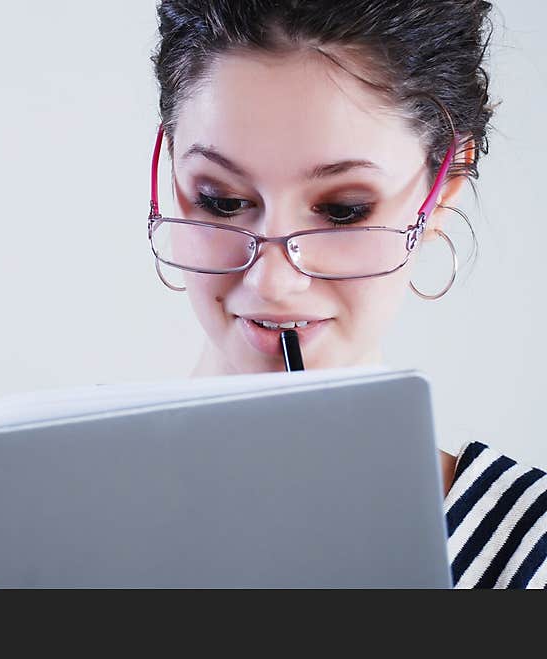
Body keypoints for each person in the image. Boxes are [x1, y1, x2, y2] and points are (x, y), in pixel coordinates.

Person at [148, 0, 546, 588]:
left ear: (444, 188)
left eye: (342, 211)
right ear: (174, 176)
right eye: (223, 200)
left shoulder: (530, 551)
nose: (272, 281)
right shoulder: (33, 514)